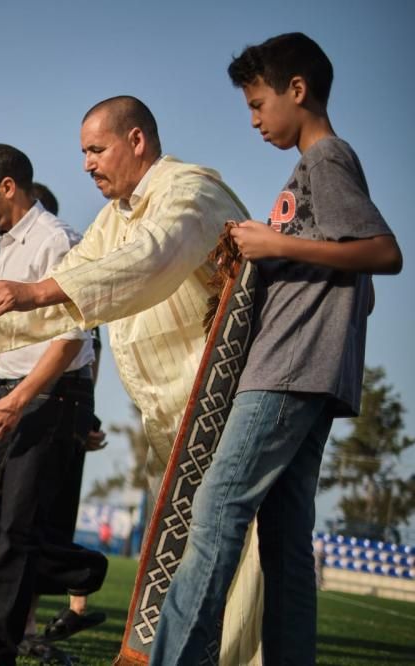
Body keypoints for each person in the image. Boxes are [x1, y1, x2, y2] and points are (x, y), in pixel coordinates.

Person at [0, 97, 264, 666]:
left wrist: (37, 296)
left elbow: (147, 262)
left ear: (137, 142)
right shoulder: (114, 219)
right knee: (182, 552)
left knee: (237, 549)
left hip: (225, 403)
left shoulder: (188, 193)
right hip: (168, 417)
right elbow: (62, 303)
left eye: (96, 150)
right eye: (83, 153)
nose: (86, 165)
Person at [150, 33, 402, 665]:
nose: (255, 120)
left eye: (259, 104)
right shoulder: (317, 168)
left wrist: (277, 245)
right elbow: (359, 288)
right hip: (313, 373)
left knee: (215, 514)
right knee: (286, 541)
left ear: (298, 90)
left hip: (288, 372)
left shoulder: (327, 159)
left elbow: (383, 252)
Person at [0, 145, 107, 666]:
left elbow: (72, 338)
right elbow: (1, 332)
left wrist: (21, 399)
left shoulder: (58, 241)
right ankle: (79, 569)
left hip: (50, 393)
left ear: (7, 187)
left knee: (15, 523)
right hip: (7, 388)